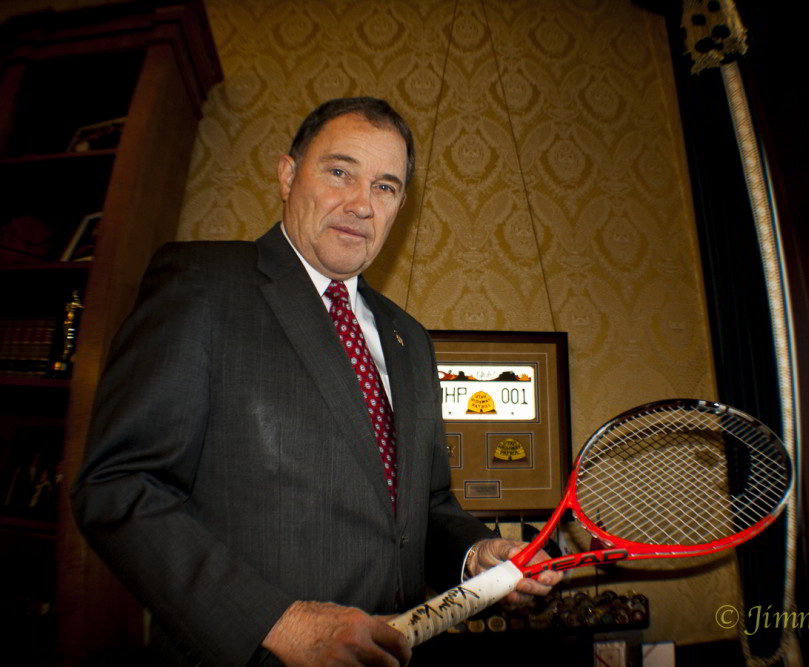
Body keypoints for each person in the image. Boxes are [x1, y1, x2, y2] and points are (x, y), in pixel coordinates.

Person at [72, 97, 561, 666]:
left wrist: (476, 552)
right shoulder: (203, 283)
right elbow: (120, 484)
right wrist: (275, 622)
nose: (361, 204)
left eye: (386, 187)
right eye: (339, 172)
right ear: (287, 175)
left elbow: (425, 506)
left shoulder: (412, 339)